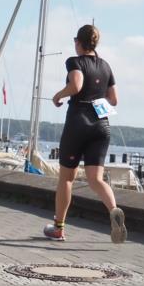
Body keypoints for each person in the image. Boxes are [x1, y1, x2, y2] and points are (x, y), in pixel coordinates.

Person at [44, 24, 126, 243]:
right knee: (96, 179)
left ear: (79, 42)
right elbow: (114, 99)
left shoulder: (75, 61)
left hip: (78, 123)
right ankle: (114, 211)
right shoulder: (106, 66)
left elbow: (77, 84)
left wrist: (58, 95)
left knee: (67, 178)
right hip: (101, 125)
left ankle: (58, 228)